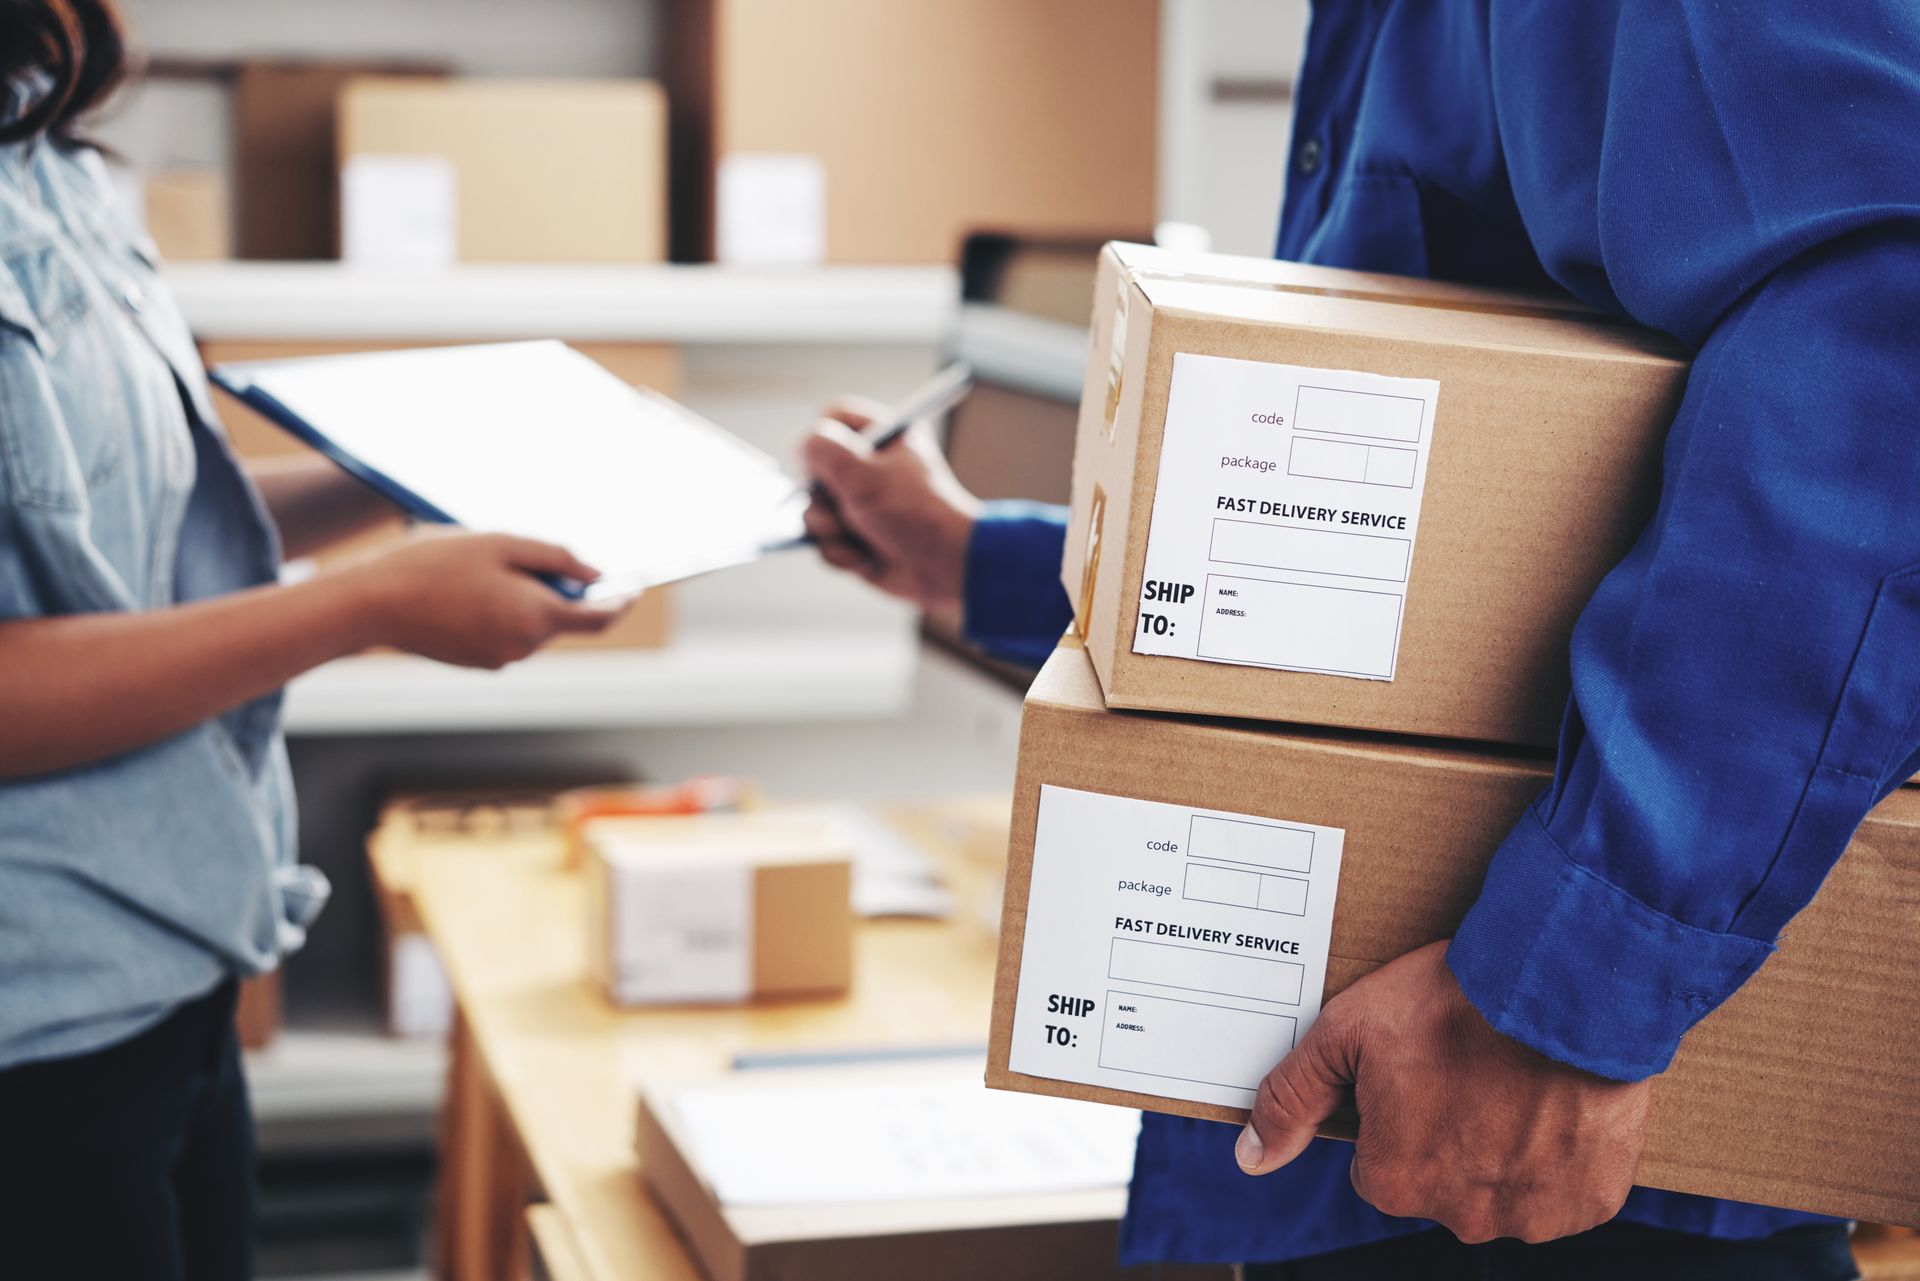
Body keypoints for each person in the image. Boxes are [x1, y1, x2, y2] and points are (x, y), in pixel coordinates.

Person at [803, 2, 1920, 1276]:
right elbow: (1427, 540)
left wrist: (1565, 1004)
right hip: (1375, 1137)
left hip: (1530, 1158)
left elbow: (1884, 340)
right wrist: (982, 562)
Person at [0, 5, 618, 1276]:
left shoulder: (52, 164)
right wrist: (372, 604)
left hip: (177, 962)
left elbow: (152, 537)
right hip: (34, 1030)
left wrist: (416, 476)